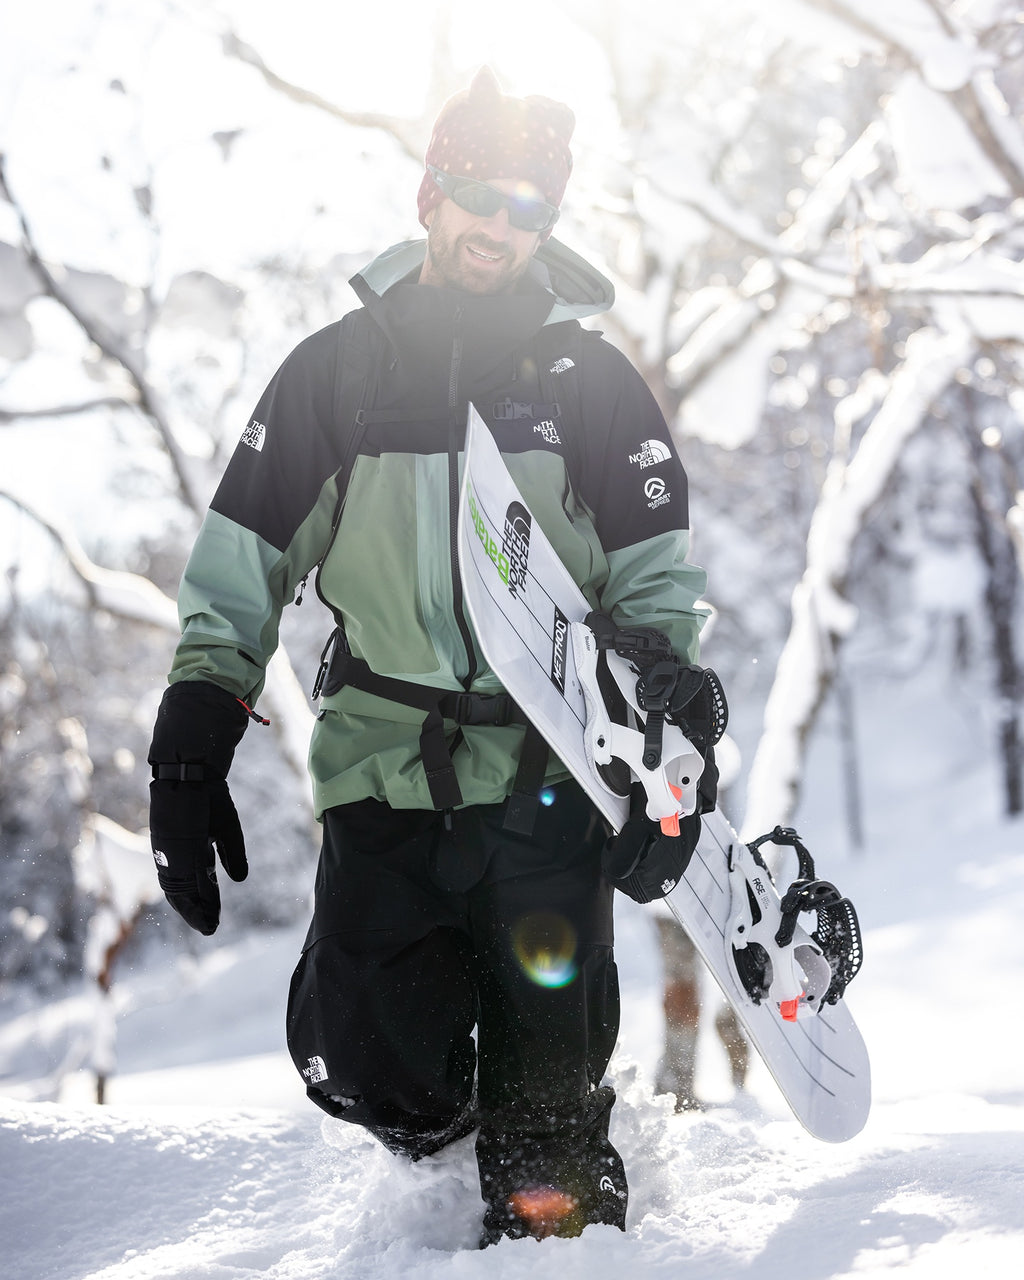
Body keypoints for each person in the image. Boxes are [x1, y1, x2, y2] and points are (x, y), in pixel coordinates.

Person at [147, 67, 719, 1245]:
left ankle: (559, 1196)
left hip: (549, 771)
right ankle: (447, 1138)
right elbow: (245, 554)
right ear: (430, 193)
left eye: (531, 209)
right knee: (364, 1063)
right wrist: (199, 713)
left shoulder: (595, 384)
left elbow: (655, 579)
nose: (501, 227)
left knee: (550, 1127)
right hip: (382, 762)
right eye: (480, 194)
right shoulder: (337, 372)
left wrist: (670, 730)